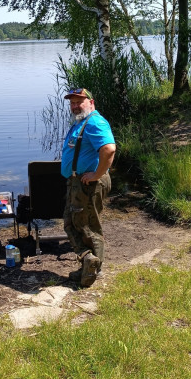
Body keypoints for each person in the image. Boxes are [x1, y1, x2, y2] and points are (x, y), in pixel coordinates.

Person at [61, 87, 116, 287]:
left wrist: (97, 174)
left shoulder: (95, 121)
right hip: (78, 183)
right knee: (71, 222)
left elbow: (109, 149)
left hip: (88, 184)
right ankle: (87, 261)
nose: (75, 106)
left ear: (91, 102)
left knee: (88, 226)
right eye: (72, 103)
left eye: (79, 102)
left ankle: (94, 270)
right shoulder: (82, 122)